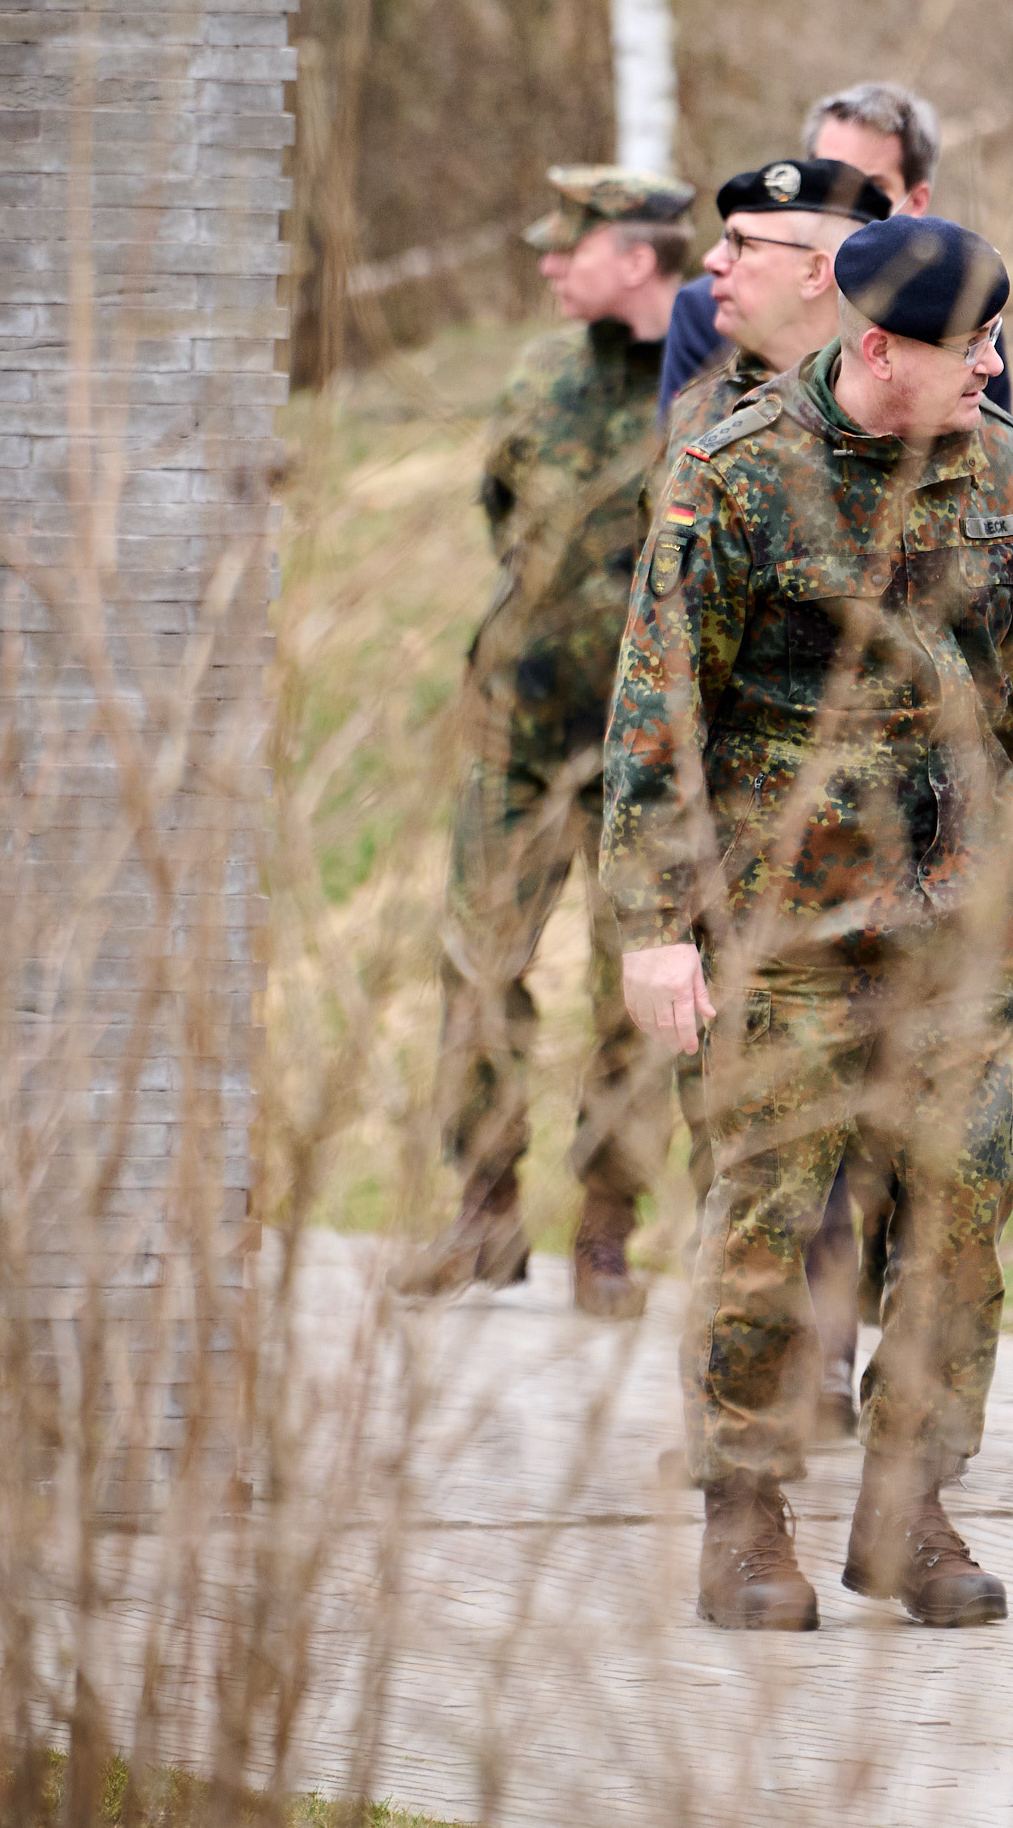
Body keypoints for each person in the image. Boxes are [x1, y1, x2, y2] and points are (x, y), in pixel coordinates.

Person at [601, 215, 1013, 1633]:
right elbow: (657, 715)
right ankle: (746, 1517)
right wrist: (653, 922)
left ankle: (908, 1508)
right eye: (969, 347)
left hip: (956, 927)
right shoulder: (734, 476)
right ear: (879, 349)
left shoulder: (997, 463)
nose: (991, 365)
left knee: (960, 1214)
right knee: (767, 1223)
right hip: (788, 932)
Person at [399, 166, 695, 1313]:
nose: (547, 262)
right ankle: (483, 1211)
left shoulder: (715, 387)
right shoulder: (539, 372)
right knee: (478, 967)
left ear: (637, 255)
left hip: (647, 758)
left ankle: (607, 1230)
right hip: (516, 730)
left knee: (636, 995)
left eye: (570, 245)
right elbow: (501, 514)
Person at [645, 154, 896, 1439]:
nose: (712, 266)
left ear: (821, 270)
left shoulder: (927, 401)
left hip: (894, 862)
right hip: (742, 858)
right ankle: (758, 1406)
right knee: (743, 1141)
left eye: (741, 243)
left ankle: (836, 1365)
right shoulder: (705, 419)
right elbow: (661, 665)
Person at [656, 80, 1012, 417]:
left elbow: (983, 442)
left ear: (915, 203)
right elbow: (682, 443)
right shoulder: (708, 307)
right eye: (826, 176)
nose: (841, 204)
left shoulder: (959, 312)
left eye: (870, 187)